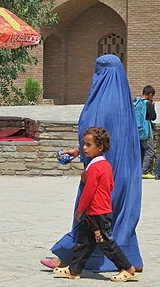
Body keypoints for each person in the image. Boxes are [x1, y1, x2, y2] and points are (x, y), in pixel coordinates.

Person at [41, 54, 143, 272]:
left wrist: (85, 160)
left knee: (89, 214)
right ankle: (131, 259)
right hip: (125, 172)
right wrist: (79, 149)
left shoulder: (99, 103)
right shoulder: (125, 102)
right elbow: (108, 139)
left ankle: (69, 258)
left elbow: (94, 134)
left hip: (99, 172)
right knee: (120, 216)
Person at [53, 127, 138, 282]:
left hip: (97, 213)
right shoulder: (105, 165)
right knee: (84, 241)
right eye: (84, 144)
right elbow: (110, 185)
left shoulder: (94, 166)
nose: (84, 148)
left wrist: (80, 209)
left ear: (99, 147)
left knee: (106, 243)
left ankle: (128, 268)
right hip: (97, 212)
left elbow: (89, 191)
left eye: (88, 145)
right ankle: (74, 269)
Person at [133, 85, 156, 179]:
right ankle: (144, 171)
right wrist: (153, 107)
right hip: (146, 130)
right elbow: (153, 117)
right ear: (150, 94)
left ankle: (138, 170)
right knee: (150, 150)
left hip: (136, 129)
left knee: (140, 150)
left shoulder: (135, 101)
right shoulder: (148, 103)